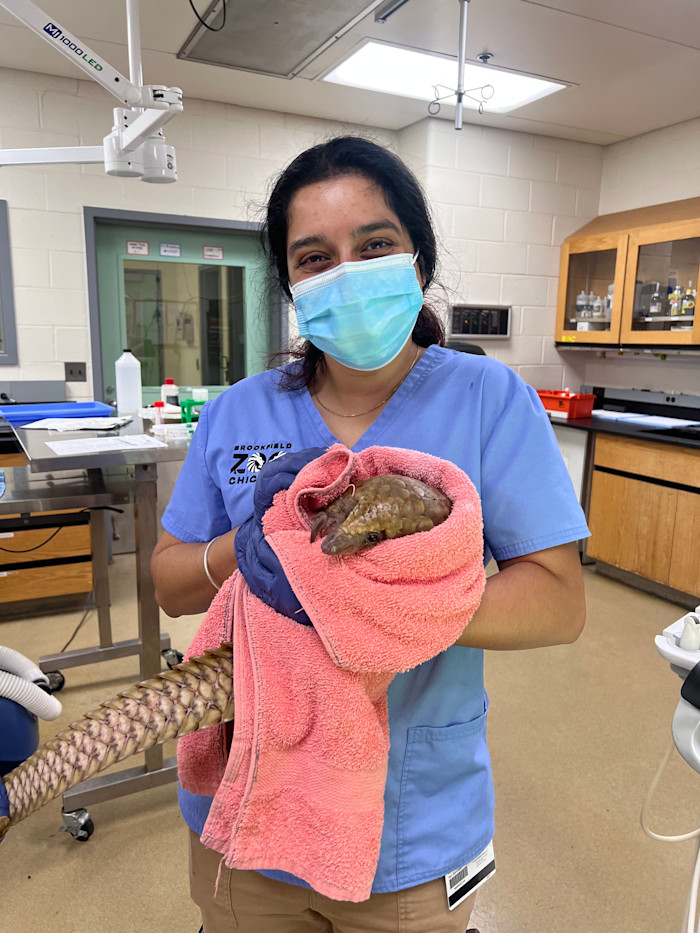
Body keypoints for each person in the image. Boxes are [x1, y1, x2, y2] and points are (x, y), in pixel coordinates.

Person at [151, 135, 589, 933]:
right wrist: (241, 547)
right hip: (249, 809)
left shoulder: (491, 400)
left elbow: (558, 602)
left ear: (417, 260)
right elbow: (170, 579)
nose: (346, 273)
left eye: (374, 245)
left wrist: (366, 602)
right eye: (314, 257)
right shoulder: (236, 411)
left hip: (410, 825)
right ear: (289, 284)